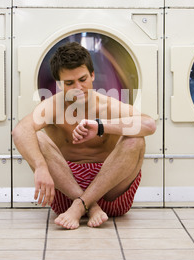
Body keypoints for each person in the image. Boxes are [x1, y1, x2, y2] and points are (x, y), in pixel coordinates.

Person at [12, 42, 156, 229]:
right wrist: (39, 166)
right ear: (59, 84)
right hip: (66, 195)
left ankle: (81, 206)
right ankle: (88, 205)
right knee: (37, 137)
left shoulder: (107, 106)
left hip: (111, 192)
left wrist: (101, 127)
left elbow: (149, 124)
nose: (78, 87)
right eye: (69, 83)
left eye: (83, 79)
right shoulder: (53, 107)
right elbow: (20, 130)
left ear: (93, 75)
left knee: (135, 139)